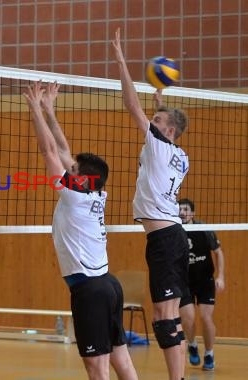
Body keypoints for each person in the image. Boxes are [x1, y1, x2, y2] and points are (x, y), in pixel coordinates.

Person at [24, 81, 137, 380]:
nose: (69, 166)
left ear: (83, 179)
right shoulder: (97, 192)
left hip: (90, 289)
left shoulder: (74, 195)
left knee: (97, 367)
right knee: (121, 360)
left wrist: (34, 108)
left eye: (74, 169)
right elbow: (62, 150)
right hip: (109, 285)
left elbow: (49, 150)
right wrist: (50, 109)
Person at [112, 28, 190, 380]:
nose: (151, 123)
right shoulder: (181, 155)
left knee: (162, 318)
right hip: (172, 236)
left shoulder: (160, 144)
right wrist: (162, 106)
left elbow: (131, 104)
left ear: (167, 131)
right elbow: (166, 129)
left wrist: (121, 61)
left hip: (163, 240)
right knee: (168, 316)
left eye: (156, 121)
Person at [178, 198, 224, 371]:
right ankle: (192, 345)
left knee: (206, 318)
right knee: (188, 319)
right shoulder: (175, 231)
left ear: (193, 213)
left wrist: (221, 276)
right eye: (179, 209)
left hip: (205, 280)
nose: (182, 212)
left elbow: (219, 253)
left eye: (186, 209)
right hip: (185, 281)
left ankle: (209, 353)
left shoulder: (203, 228)